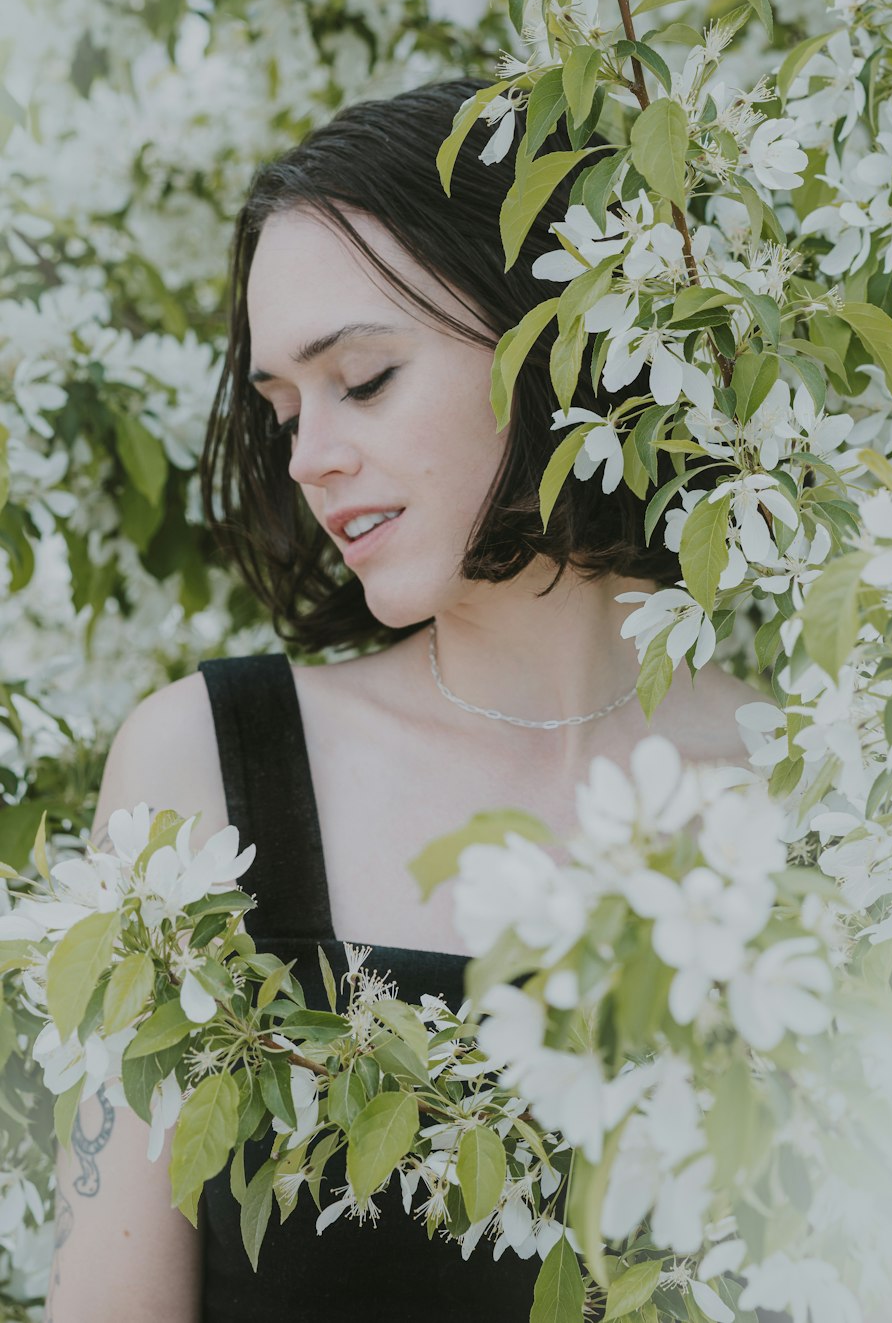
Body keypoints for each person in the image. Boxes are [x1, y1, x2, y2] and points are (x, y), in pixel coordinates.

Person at [45, 76, 757, 1321]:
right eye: (281, 407)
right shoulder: (205, 775)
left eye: (362, 377)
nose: (310, 454)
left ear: (552, 333)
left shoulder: (816, 786)